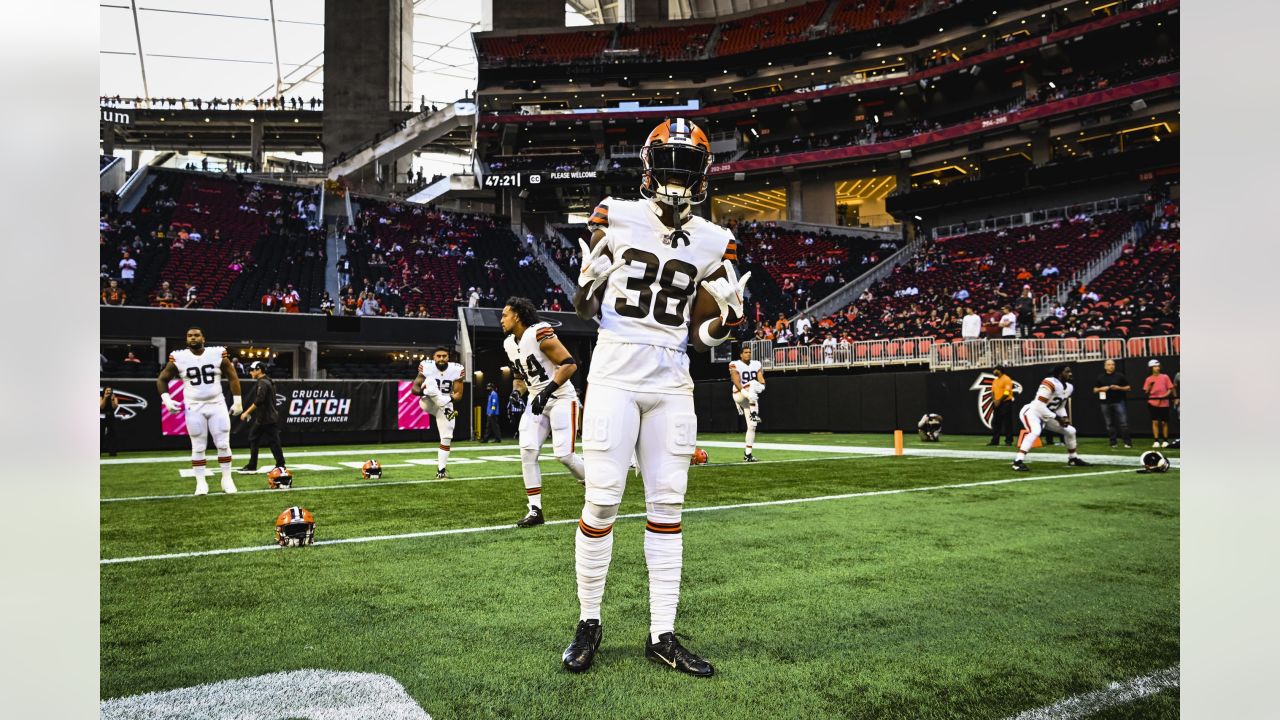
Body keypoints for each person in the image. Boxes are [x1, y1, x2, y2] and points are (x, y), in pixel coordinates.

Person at [565, 118, 739, 677]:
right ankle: (588, 621)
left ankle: (661, 633)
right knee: (603, 501)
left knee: (668, 508)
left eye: (688, 168)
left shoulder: (715, 239)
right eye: (670, 165)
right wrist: (587, 284)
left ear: (704, 175)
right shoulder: (614, 214)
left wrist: (725, 326)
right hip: (616, 372)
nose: (677, 178)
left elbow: (705, 330)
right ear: (648, 167)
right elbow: (584, 309)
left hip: (672, 380)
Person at [500, 296, 586, 526]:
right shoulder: (509, 343)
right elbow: (520, 376)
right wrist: (516, 393)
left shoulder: (539, 332)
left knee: (564, 455)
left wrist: (546, 392)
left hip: (560, 397)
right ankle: (535, 510)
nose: (501, 320)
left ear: (517, 315)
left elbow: (569, 364)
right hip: (537, 400)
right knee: (527, 451)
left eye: (505, 315)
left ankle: (595, 487)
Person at [155, 326, 242, 495]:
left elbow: (233, 376)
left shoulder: (217, 353)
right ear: (186, 339)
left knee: (223, 443)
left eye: (196, 335)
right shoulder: (179, 357)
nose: (193, 338)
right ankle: (201, 483)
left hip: (217, 404)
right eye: (189, 336)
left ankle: (227, 479)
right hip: (194, 406)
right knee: (198, 446)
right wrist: (166, 399)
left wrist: (238, 401)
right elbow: (162, 379)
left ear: (203, 338)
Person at [1011, 364, 1089, 471]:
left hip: (1047, 415)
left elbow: (1060, 406)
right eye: (1067, 371)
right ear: (1060, 373)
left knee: (1071, 431)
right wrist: (1057, 418)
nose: (1070, 374)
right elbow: (1039, 405)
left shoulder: (1069, 387)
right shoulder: (1050, 382)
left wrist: (1064, 417)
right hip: (1032, 412)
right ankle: (1017, 461)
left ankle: (1073, 458)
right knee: (1035, 431)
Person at [411, 347, 464, 479]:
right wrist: (425, 392)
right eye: (438, 356)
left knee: (447, 438)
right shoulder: (427, 367)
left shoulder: (456, 369)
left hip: (445, 404)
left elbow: (458, 394)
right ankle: (443, 404)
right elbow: (414, 389)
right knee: (430, 381)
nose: (441, 358)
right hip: (427, 401)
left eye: (444, 356)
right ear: (433, 358)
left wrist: (447, 399)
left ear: (448, 357)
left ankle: (441, 471)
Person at [237, 361, 286, 473]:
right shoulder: (268, 381)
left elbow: (259, 400)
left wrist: (246, 413)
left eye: (252, 370)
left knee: (269, 441)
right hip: (267, 417)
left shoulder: (263, 382)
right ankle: (254, 464)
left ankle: (279, 464)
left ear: (259, 370)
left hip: (266, 418)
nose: (250, 372)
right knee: (258, 439)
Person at [729, 344, 765, 461]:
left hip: (750, 398)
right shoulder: (735, 364)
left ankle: (747, 454)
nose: (748, 354)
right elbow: (735, 380)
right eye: (745, 352)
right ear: (741, 354)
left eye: (749, 352)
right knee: (753, 384)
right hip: (739, 393)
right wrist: (745, 393)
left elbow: (761, 378)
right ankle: (754, 414)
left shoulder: (756, 364)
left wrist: (762, 386)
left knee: (752, 426)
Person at [1093, 359, 1132, 449]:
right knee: (1109, 424)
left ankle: (1127, 442)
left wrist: (1119, 388)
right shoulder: (1101, 377)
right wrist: (1102, 389)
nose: (1111, 366)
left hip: (1119, 402)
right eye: (1109, 364)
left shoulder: (1120, 376)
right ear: (1105, 366)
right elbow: (1094, 390)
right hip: (1105, 403)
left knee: (1123, 423)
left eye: (1113, 364)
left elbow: (1128, 388)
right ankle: (1113, 442)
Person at [1142, 359, 1174, 447]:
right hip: (1152, 403)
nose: (1157, 368)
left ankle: (1165, 440)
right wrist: (1149, 387)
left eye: (1158, 366)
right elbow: (1146, 392)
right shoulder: (1148, 379)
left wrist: (1164, 395)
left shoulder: (1165, 377)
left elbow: (1170, 389)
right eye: (1155, 366)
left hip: (1164, 402)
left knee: (1164, 422)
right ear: (1151, 368)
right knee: (1155, 422)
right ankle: (1156, 441)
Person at [987, 367, 1015, 446]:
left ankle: (1008, 441)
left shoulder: (1006, 379)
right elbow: (992, 392)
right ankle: (995, 441)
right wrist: (994, 400)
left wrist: (999, 400)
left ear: (999, 370)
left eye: (995, 370)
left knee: (1007, 422)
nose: (994, 371)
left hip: (1005, 403)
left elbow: (1007, 392)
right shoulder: (995, 381)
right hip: (996, 404)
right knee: (996, 423)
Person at [100, 386, 120, 456]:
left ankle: (112, 452)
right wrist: (105, 398)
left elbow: (115, 407)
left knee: (112, 434)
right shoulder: (101, 397)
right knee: (100, 435)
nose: (108, 391)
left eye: (110, 390)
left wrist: (112, 400)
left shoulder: (114, 398)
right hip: (102, 417)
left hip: (111, 417)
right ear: (104, 391)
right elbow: (101, 407)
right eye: (107, 390)